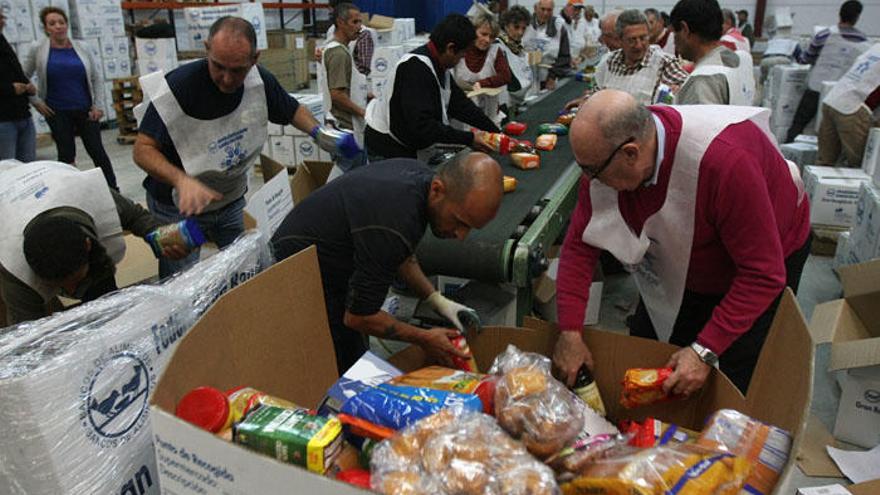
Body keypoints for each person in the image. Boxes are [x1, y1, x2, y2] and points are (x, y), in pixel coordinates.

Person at [553, 89, 811, 395]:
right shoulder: (607, 156)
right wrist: (570, 331)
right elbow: (580, 246)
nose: (590, 180)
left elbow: (762, 275)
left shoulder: (724, 164)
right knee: (651, 351)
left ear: (631, 153)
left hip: (764, 256)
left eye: (592, 171)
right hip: (683, 254)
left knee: (729, 369)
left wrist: (704, 351)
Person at [134, 17, 352, 279]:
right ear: (207, 49)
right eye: (218, 67)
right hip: (177, 207)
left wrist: (319, 133)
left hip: (229, 201)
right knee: (181, 285)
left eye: (237, 70)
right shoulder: (179, 87)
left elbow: (292, 109)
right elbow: (142, 149)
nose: (226, 79)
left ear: (255, 58)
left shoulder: (260, 82)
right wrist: (181, 180)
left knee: (246, 272)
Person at [271, 152, 503, 374]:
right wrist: (424, 338)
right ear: (437, 190)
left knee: (355, 353)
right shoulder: (394, 219)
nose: (461, 236)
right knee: (342, 372)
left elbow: (401, 255)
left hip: (331, 260)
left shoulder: (421, 182)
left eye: (471, 227)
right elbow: (359, 317)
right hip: (297, 273)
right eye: (459, 222)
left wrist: (437, 300)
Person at [0, 160, 191, 325]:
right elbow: (26, 336)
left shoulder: (91, 194)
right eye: (60, 285)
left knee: (106, 306)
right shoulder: (14, 269)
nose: (72, 292)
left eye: (74, 281)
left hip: (49, 180)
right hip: (8, 202)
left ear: (87, 244)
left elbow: (138, 218)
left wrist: (166, 239)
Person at [364, 14, 499, 161]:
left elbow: (460, 105)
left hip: (408, 146)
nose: (461, 59)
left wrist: (495, 132)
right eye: (462, 55)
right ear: (450, 48)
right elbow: (423, 125)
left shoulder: (441, 66)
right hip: (387, 147)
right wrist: (469, 138)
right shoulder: (415, 68)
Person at [23, 7, 117, 191]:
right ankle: (69, 193)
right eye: (52, 23)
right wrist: (35, 101)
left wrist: (98, 105)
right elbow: (23, 75)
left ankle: (113, 189)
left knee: (97, 151)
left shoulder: (82, 47)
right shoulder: (38, 49)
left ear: (66, 24)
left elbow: (96, 77)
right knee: (66, 155)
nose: (58, 26)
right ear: (46, 28)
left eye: (61, 22)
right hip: (56, 111)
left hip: (85, 109)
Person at [785, 0, 869, 143]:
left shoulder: (824, 35)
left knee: (798, 124)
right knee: (828, 133)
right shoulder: (863, 41)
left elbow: (806, 59)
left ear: (839, 13)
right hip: (839, 93)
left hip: (815, 88)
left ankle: (788, 150)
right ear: (857, 17)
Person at [593, 9, 688, 105]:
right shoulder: (608, 62)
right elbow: (594, 95)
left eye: (643, 38)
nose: (638, 45)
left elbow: (690, 89)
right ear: (620, 40)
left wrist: (676, 92)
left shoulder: (664, 63)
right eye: (631, 40)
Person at [673, 0, 756, 105]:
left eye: (674, 32)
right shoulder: (740, 59)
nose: (674, 41)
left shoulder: (702, 81)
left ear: (685, 30)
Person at [319, 2, 369, 172]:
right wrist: (363, 112)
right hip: (347, 132)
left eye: (360, 22)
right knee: (351, 184)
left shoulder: (341, 49)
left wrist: (367, 96)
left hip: (346, 130)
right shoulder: (339, 53)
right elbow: (337, 95)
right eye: (354, 22)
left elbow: (347, 87)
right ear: (340, 23)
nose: (359, 27)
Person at [817, 43, 880, 166]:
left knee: (825, 162)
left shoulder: (876, 47)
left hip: (833, 99)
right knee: (862, 165)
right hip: (853, 108)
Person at [454, 14, 511, 127]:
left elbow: (505, 76)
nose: (487, 40)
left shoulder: (495, 51)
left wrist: (481, 83)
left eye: (492, 37)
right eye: (483, 34)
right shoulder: (461, 50)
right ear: (473, 31)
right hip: (461, 118)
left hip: (489, 116)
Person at [0, 12, 37, 162]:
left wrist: (28, 86)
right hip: (3, 119)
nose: (3, 21)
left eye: (2, 17)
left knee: (28, 167)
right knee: (8, 169)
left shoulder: (2, 40)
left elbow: (16, 70)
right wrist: (10, 88)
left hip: (22, 114)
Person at [522, 0, 571, 90]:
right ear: (535, 8)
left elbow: (564, 56)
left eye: (549, 10)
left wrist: (552, 77)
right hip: (525, 77)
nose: (545, 13)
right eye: (543, 9)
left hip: (548, 78)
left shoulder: (559, 27)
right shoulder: (524, 24)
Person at [496, 6, 533, 117]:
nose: (520, 32)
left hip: (515, 103)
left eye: (523, 28)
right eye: (516, 27)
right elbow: (513, 83)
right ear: (506, 26)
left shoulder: (518, 48)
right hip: (501, 105)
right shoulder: (498, 46)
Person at [561, 0, 587, 67]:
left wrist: (580, 56)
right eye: (575, 9)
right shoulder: (560, 23)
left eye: (579, 10)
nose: (577, 12)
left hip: (571, 63)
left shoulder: (571, 23)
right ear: (567, 7)